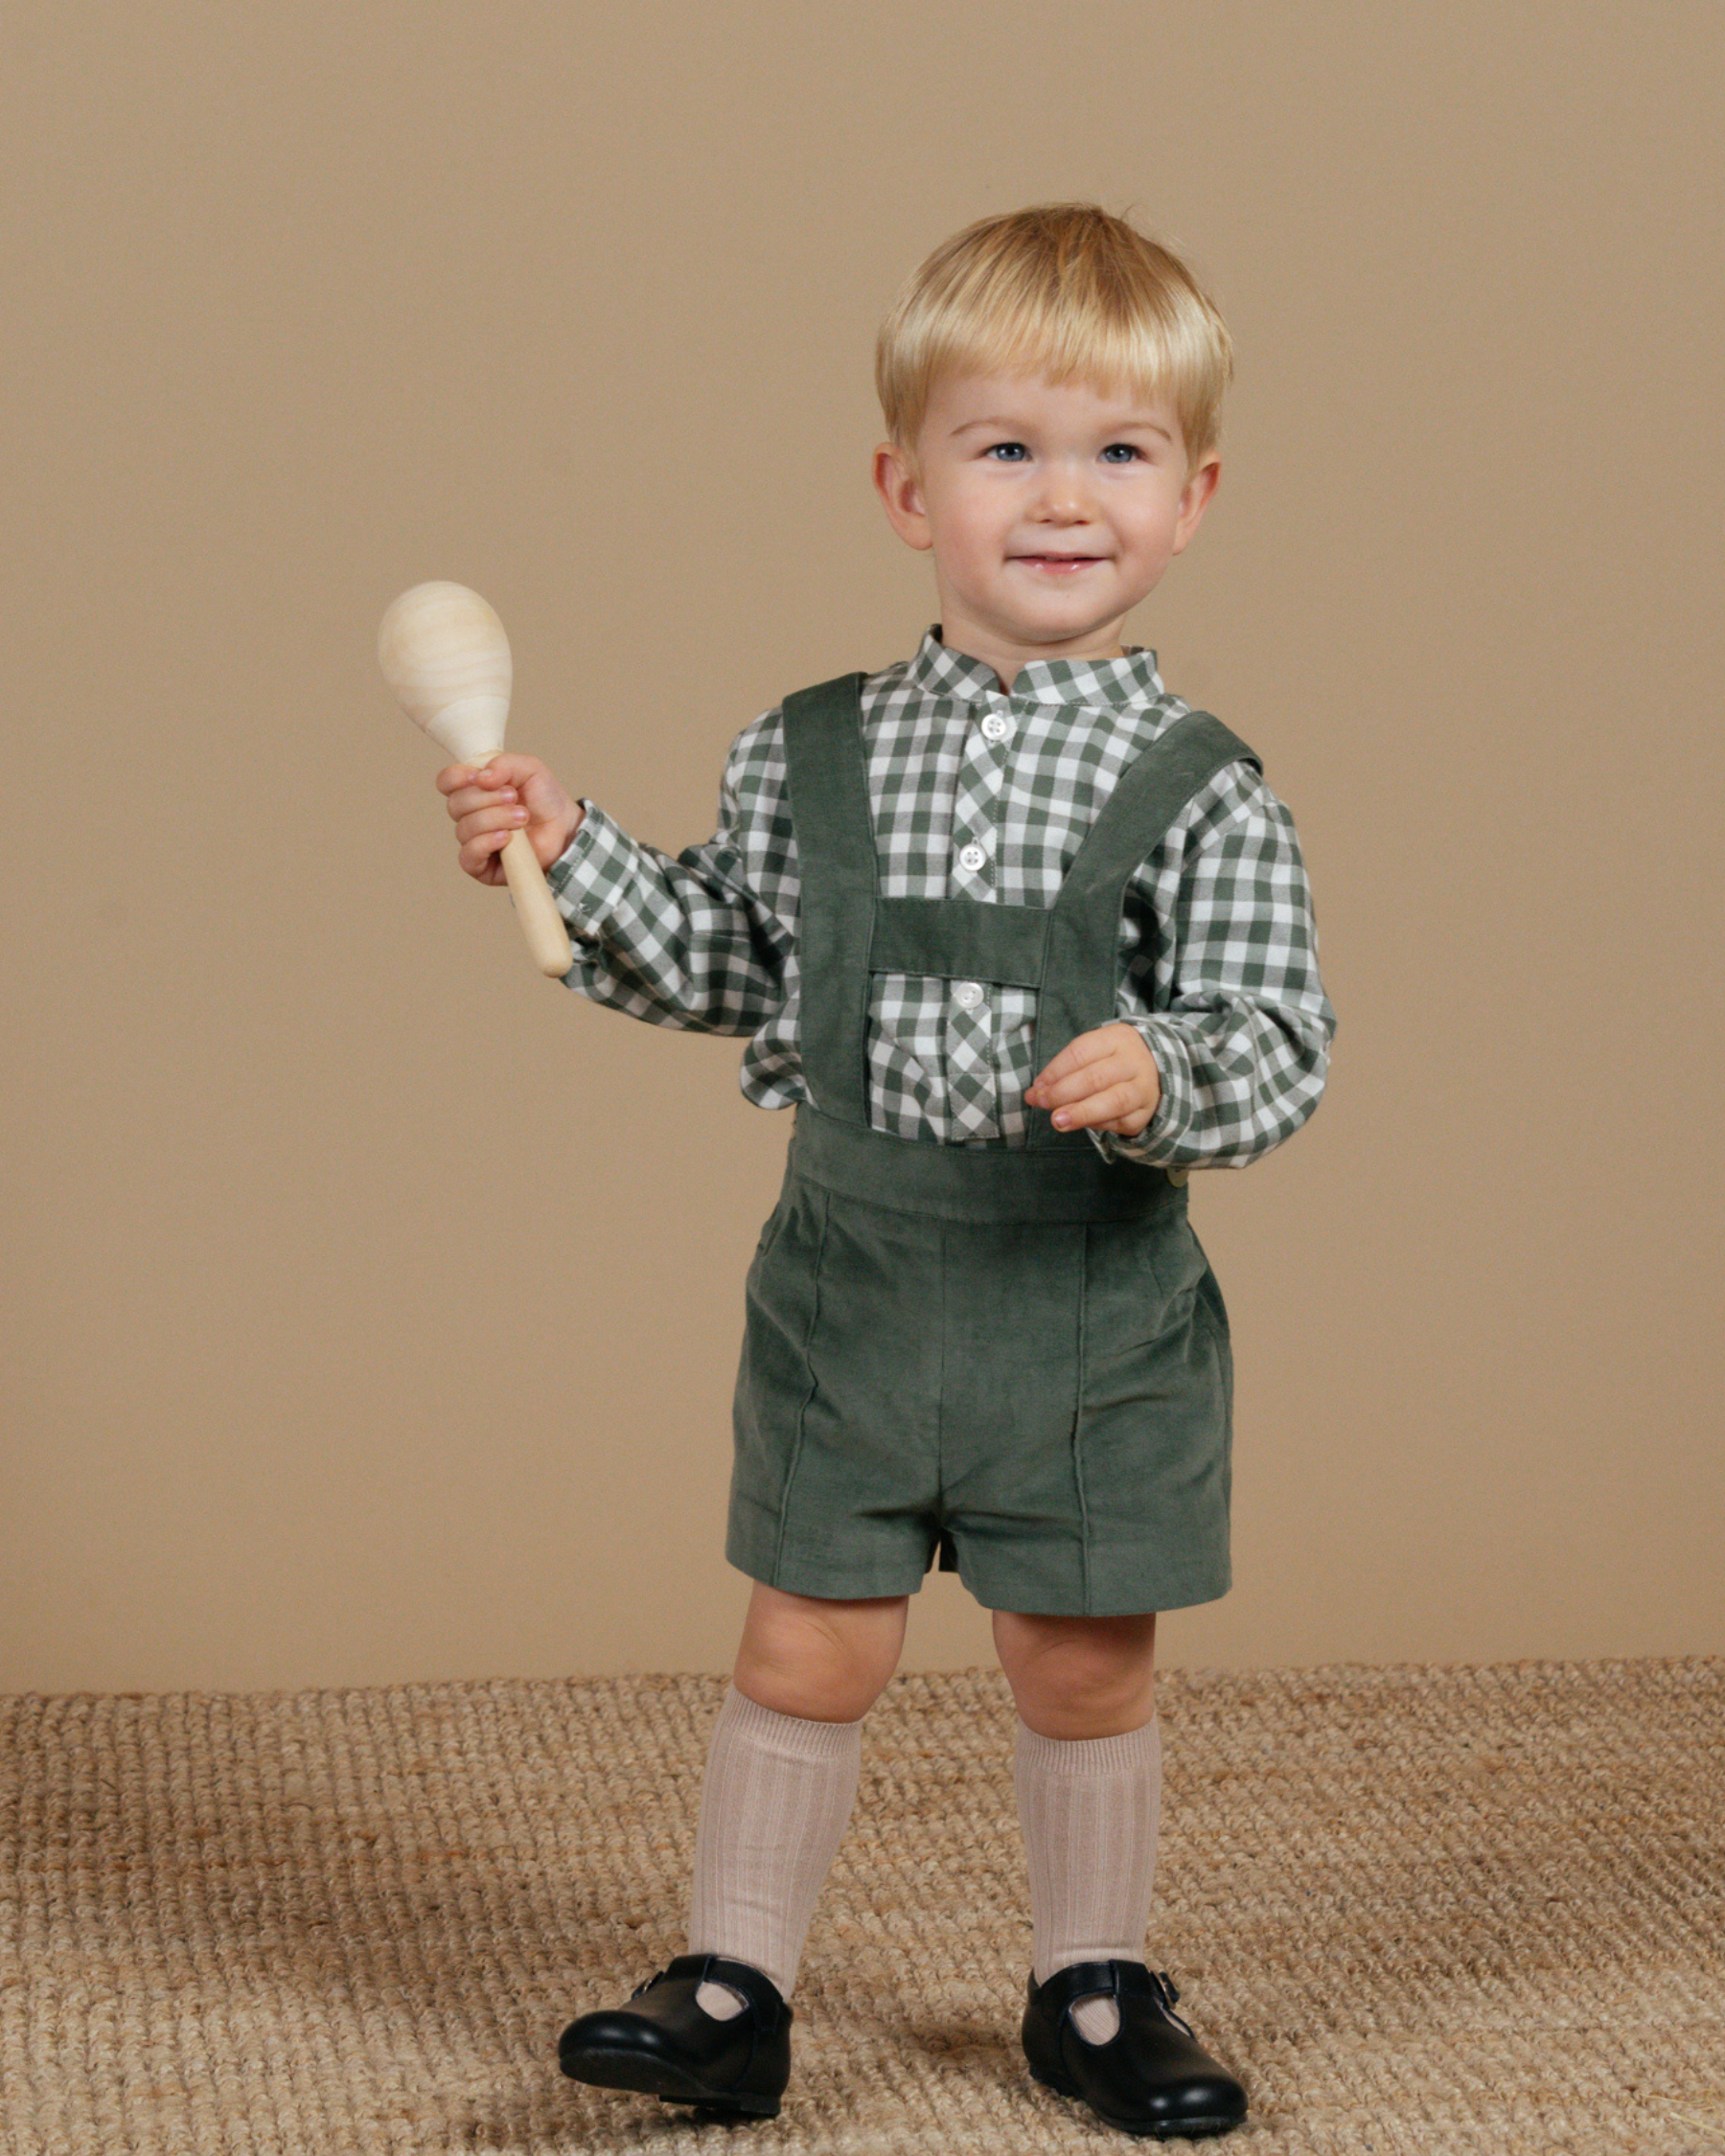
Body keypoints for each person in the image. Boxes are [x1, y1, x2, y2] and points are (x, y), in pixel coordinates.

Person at [436, 203, 1335, 2139]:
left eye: (1119, 454)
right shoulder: (806, 752)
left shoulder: (1203, 786)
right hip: (854, 1288)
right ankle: (733, 1981)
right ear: (904, 485)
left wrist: (1162, 1066)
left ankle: (1094, 1985)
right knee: (802, 1637)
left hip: (1086, 1313)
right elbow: (717, 960)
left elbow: (1277, 1050)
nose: (1062, 497)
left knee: (1080, 1658)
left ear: (1194, 497)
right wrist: (568, 848)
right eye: (1004, 448)